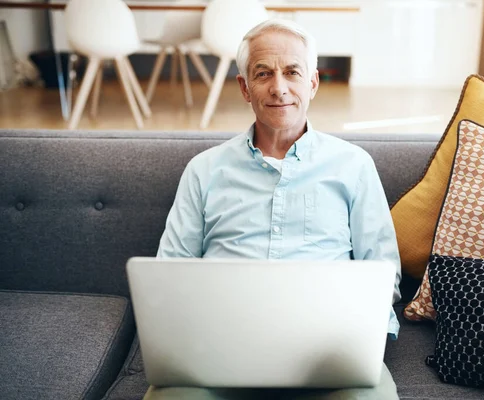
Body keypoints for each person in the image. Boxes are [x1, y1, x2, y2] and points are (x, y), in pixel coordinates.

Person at [146, 18, 401, 400]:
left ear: (312, 83)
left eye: (292, 72)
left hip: (328, 354)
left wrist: (363, 339)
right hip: (219, 350)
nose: (279, 88)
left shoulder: (354, 165)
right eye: (263, 74)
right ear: (244, 88)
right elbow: (169, 271)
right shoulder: (204, 170)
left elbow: (384, 271)